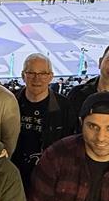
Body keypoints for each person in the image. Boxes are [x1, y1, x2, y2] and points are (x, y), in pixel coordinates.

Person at [12, 53, 73, 189]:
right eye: (31, 73)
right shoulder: (11, 102)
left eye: (43, 73)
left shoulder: (64, 107)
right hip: (15, 176)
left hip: (50, 177)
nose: (37, 79)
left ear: (50, 76)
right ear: (23, 76)